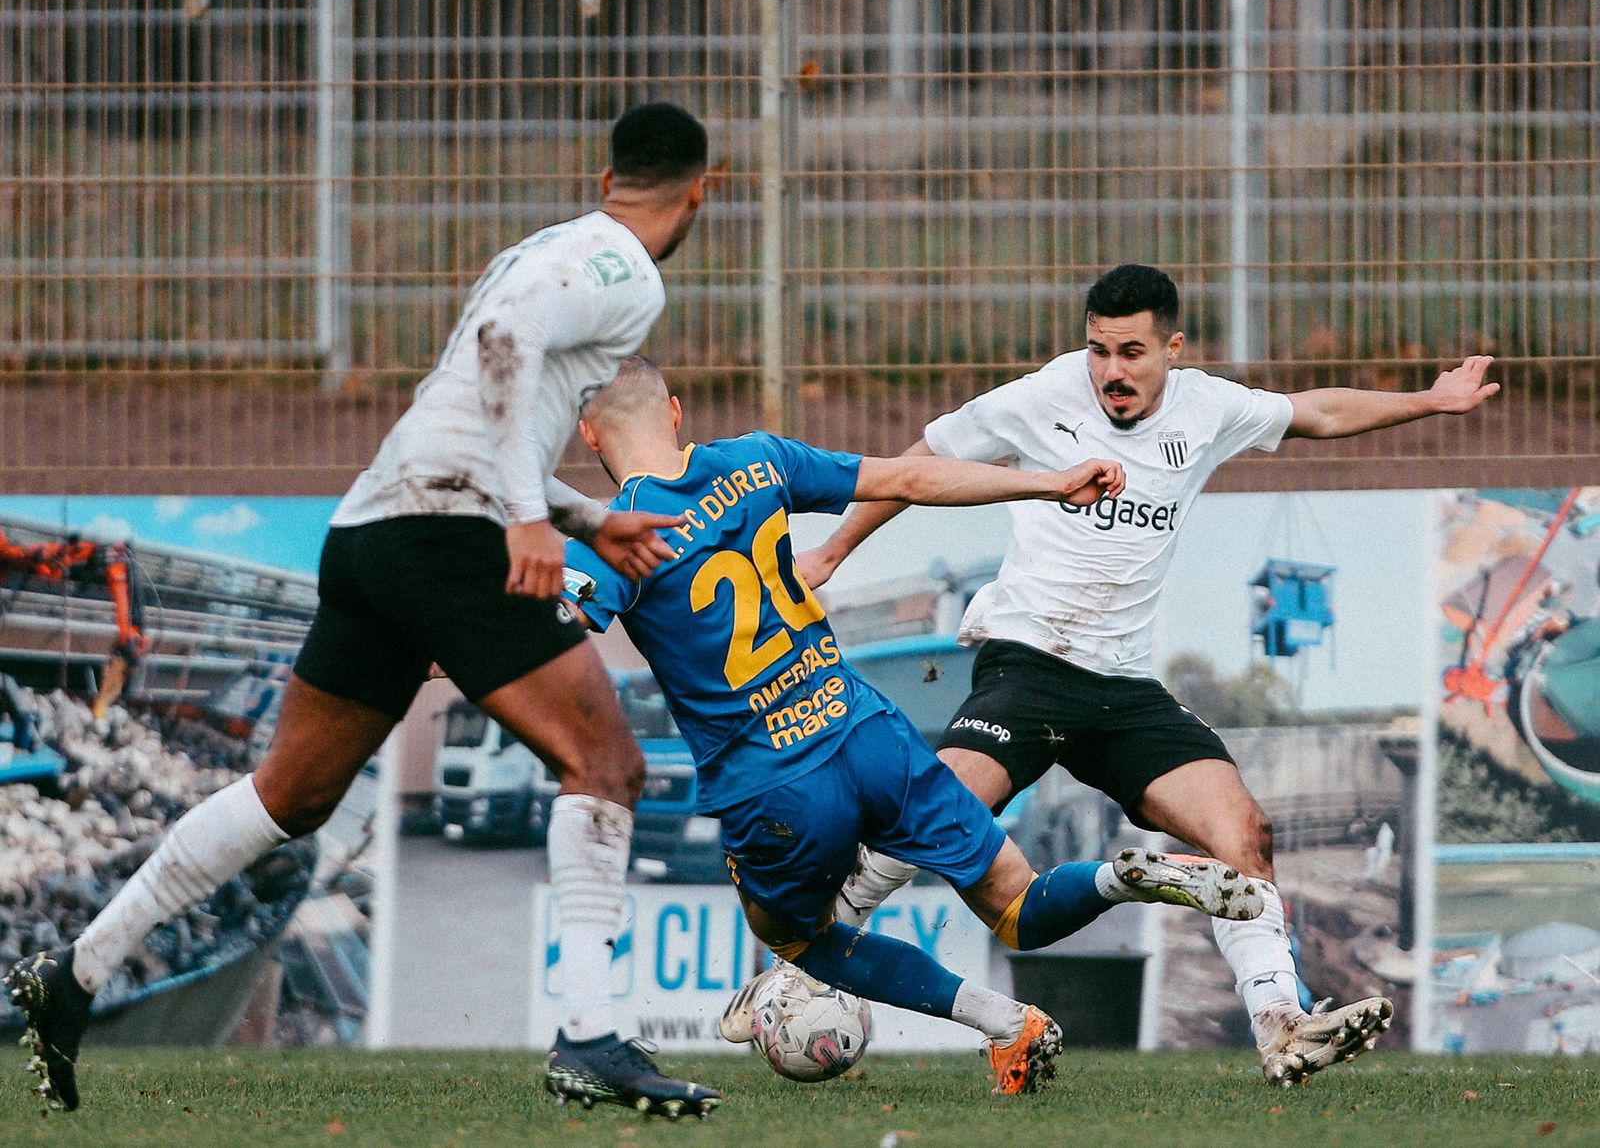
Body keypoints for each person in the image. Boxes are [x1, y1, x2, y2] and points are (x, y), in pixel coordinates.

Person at [7, 103, 723, 1119]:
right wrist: (529, 520)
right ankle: (592, 1036)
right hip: (448, 532)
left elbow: (474, 405)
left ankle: (77, 969)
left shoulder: (547, 247)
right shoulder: (627, 270)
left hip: (372, 530)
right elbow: (504, 341)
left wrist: (585, 516)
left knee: (290, 795)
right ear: (702, 190)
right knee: (607, 764)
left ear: (606, 176)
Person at [786, 263, 1501, 1087]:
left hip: (1122, 690)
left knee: (1244, 834)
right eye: (1099, 351)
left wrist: (1431, 401)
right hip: (1030, 664)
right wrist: (833, 550)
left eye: (1131, 352)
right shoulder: (1041, 397)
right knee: (933, 810)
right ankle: (801, 963)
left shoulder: (1207, 407)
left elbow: (1317, 412)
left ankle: (1281, 1023)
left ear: (1172, 348)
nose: (1111, 372)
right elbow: (922, 462)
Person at [559, 356, 1266, 1097]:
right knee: (1019, 907)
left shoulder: (609, 539)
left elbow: (545, 639)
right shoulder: (757, 461)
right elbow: (911, 477)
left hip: (771, 779)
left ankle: (1004, 1020)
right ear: (674, 412)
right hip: (867, 731)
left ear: (588, 435)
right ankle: (1119, 878)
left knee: (795, 940)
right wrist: (1049, 482)